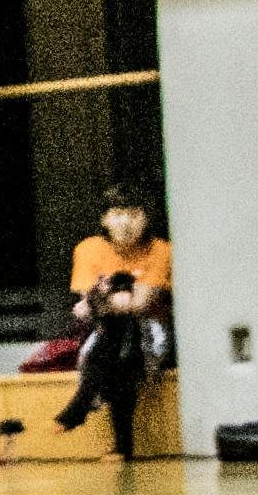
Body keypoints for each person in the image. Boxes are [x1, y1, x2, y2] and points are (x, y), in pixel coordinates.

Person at [51, 187, 172, 453]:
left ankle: (82, 404)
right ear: (105, 219)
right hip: (107, 334)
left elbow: (140, 305)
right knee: (118, 348)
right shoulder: (89, 248)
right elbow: (96, 300)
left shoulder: (161, 250)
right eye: (117, 214)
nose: (126, 222)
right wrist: (114, 299)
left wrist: (103, 299)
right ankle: (121, 447)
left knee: (122, 336)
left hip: (152, 333)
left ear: (146, 218)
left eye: (134, 214)